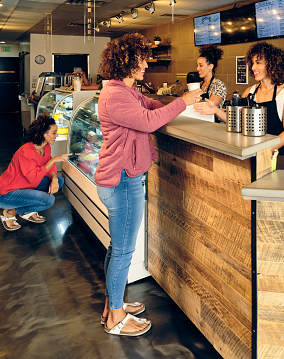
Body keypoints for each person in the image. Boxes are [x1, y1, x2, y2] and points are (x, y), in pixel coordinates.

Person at [95, 32, 201, 337]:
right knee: (124, 251)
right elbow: (147, 122)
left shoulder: (126, 91)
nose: (145, 64)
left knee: (118, 248)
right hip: (123, 180)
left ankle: (113, 303)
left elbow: (150, 106)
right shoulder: (115, 94)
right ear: (127, 62)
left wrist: (179, 107)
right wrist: (183, 101)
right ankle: (115, 318)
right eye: (141, 59)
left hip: (123, 178)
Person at [194, 41, 284, 158]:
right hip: (254, 154)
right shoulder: (250, 92)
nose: (253, 67)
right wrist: (216, 111)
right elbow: (236, 122)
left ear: (271, 64)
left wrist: (262, 151)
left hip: (279, 155)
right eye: (252, 63)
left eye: (258, 63)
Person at [0, 115, 68, 231]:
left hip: (24, 185)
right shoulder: (26, 152)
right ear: (44, 134)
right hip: (6, 194)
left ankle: (27, 210)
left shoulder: (46, 147)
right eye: (54, 133)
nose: (57, 136)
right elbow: (33, 178)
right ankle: (10, 212)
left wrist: (54, 178)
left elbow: (49, 169)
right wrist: (53, 160)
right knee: (48, 200)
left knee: (59, 180)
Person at [197, 44, 227, 110]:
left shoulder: (219, 85)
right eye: (197, 65)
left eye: (201, 66)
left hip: (211, 120)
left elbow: (209, 107)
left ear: (210, 66)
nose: (197, 68)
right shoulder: (199, 84)